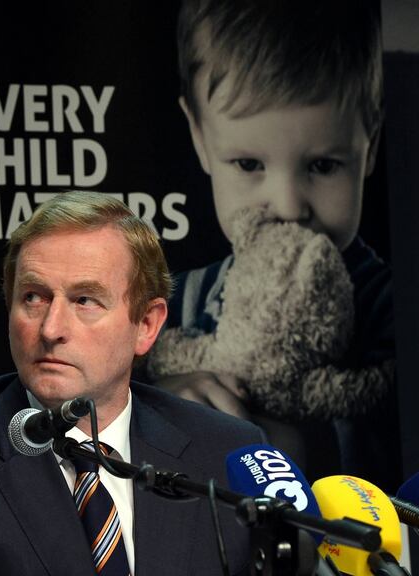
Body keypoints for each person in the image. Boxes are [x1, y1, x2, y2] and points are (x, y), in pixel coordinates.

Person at [0, 192, 264, 575]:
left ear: (146, 325)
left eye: (84, 300)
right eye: (33, 297)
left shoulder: (229, 454)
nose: (51, 328)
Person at [156, 0, 396, 488]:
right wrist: (162, 402)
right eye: (249, 165)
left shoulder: (396, 308)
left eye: (323, 166)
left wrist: (303, 442)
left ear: (369, 142)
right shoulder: (179, 302)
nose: (288, 205)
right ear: (200, 138)